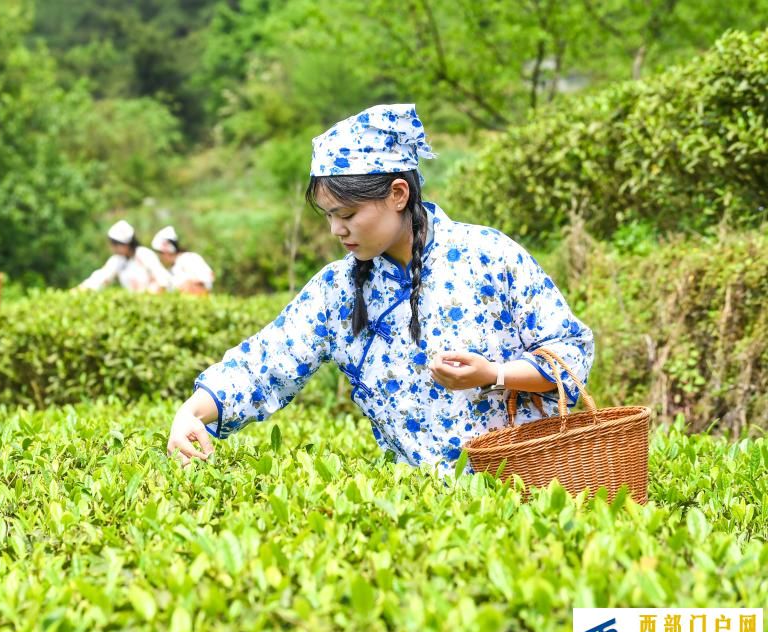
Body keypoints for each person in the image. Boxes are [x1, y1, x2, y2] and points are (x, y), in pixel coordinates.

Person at [165, 103, 594, 472]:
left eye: (348, 214)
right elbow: (264, 364)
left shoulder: (488, 255)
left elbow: (571, 353)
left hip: (530, 488)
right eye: (329, 216)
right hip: (422, 512)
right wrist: (192, 411)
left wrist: (493, 374)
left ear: (398, 193)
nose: (337, 230)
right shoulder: (337, 291)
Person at [74, 220, 172, 293]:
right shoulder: (118, 260)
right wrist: (78, 290)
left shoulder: (144, 255)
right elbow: (99, 279)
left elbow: (163, 280)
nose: (113, 248)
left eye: (115, 245)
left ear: (125, 244)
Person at [151, 226, 215, 295]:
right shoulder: (172, 268)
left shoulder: (188, 258)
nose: (161, 257)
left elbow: (208, 276)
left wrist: (188, 285)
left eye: (161, 253)